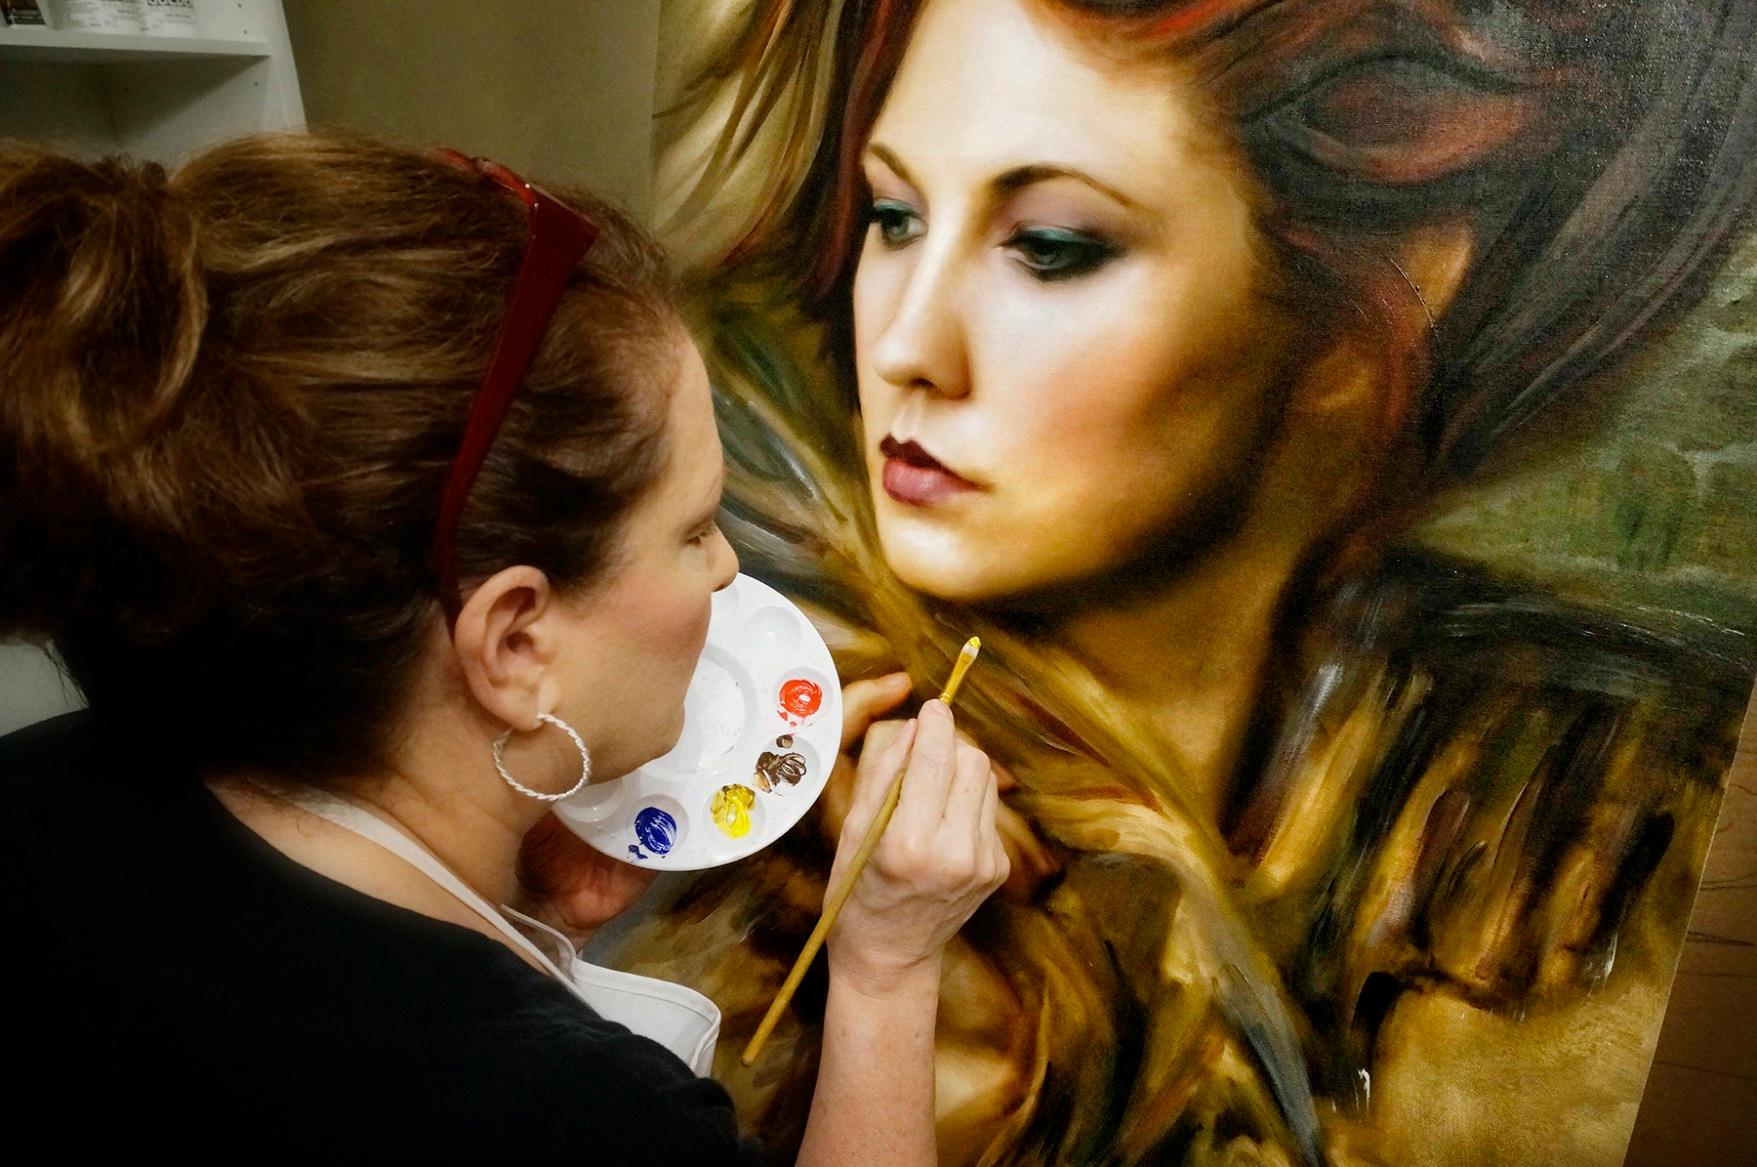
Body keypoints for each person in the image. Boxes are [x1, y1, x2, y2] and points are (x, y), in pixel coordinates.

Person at [605, 0, 1757, 1163]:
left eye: (1050, 248)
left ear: (1377, 305)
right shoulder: (727, 747)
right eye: (894, 218)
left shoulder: (1575, 854)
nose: (908, 345)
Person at [0, 132, 1010, 1161]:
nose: (721, 572)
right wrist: (887, 969)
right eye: (696, 529)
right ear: (516, 641)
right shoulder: (572, 1119)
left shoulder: (39, 787)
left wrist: (519, 915)